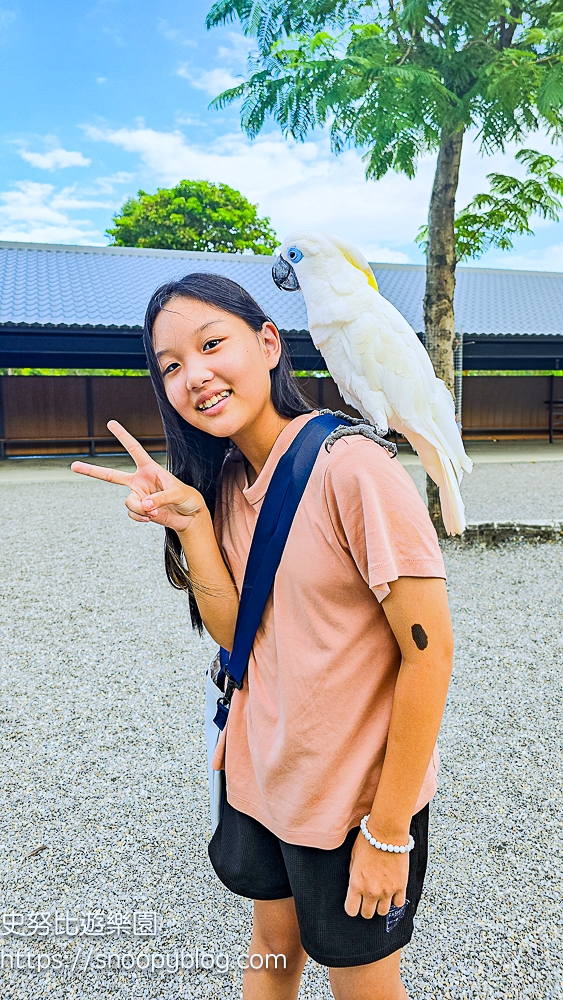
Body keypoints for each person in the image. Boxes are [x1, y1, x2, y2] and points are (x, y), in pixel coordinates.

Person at [72, 273, 454, 1000]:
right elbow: (234, 633)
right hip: (261, 774)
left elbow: (428, 655)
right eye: (173, 366)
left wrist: (387, 831)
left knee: (361, 980)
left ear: (269, 343)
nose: (196, 375)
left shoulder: (354, 470)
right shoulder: (218, 483)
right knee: (273, 948)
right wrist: (190, 524)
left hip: (351, 801)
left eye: (212, 344)